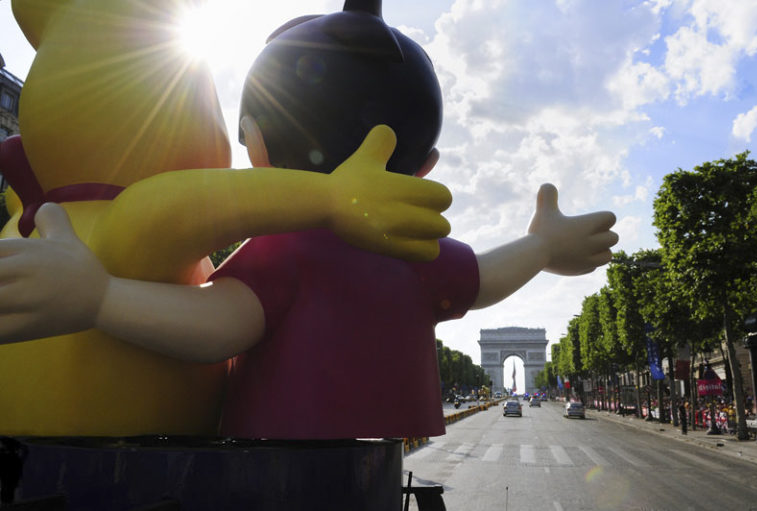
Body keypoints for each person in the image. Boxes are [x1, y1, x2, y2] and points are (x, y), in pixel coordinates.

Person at [0, 0, 617, 440]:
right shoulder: (408, 256)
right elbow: (481, 277)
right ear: (425, 165)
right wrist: (540, 245)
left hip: (275, 456)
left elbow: (220, 324)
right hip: (373, 463)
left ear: (255, 143)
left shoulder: (285, 250)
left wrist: (102, 297)